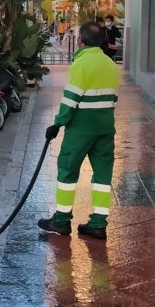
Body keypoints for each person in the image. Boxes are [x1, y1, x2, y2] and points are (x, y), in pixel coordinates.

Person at [39, 22, 119, 240]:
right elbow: (114, 99)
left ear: (81, 41)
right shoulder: (110, 64)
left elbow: (71, 99)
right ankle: (98, 224)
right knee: (103, 175)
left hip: (81, 128)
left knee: (67, 169)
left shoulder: (81, 64)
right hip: (105, 127)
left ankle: (62, 220)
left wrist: (57, 123)